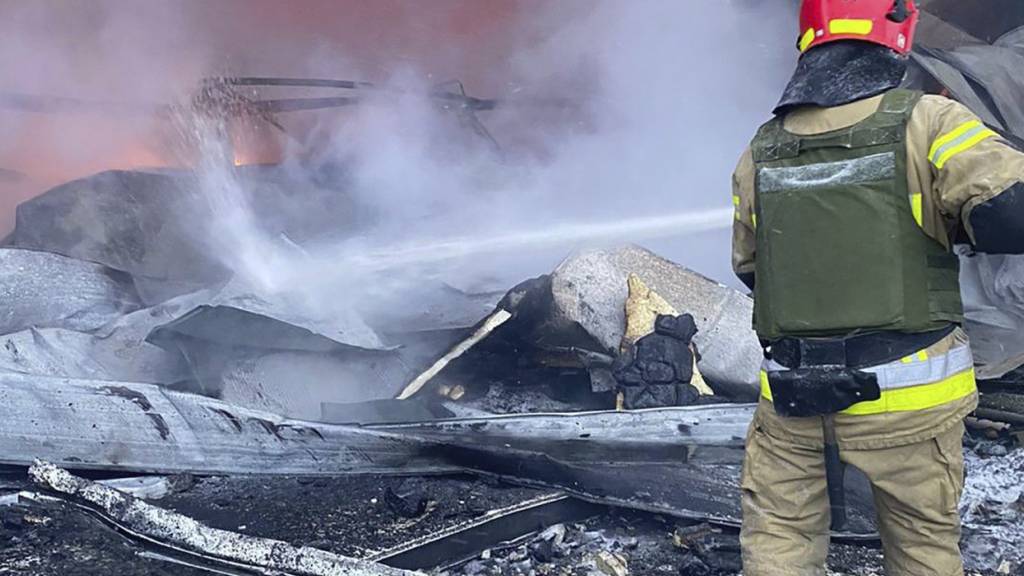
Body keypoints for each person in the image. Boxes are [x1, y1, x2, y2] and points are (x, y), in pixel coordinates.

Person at [731, 1, 1024, 574]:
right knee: (921, 550)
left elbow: (751, 270)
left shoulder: (759, 149)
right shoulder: (931, 121)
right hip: (909, 407)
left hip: (793, 400)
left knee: (779, 545)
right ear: (898, 29)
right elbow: (1009, 214)